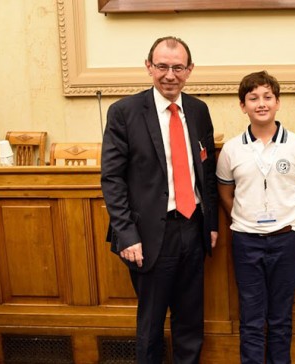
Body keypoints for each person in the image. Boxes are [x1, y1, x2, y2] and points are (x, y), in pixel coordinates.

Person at [101, 36, 219, 363]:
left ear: (189, 70)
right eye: (163, 66)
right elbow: (112, 179)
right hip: (151, 236)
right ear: (149, 67)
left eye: (178, 67)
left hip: (193, 230)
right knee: (151, 325)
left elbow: (205, 172)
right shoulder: (124, 112)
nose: (170, 75)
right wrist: (126, 235)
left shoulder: (198, 111)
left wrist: (210, 224)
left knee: (190, 322)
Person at [216, 70, 295, 364]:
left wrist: (282, 213)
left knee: (281, 317)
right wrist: (246, 218)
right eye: (253, 98)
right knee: (251, 317)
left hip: (286, 239)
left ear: (278, 102)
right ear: (242, 105)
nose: (261, 103)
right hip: (246, 241)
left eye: (267, 97)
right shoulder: (232, 149)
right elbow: (225, 193)